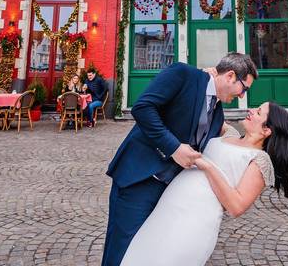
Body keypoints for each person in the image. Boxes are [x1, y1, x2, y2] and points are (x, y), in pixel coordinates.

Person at [102, 53, 258, 266]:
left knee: (145, 254)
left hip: (168, 194)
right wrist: (173, 148)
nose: (242, 96)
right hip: (138, 180)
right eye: (244, 88)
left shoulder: (218, 114)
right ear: (230, 76)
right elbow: (143, 108)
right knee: (122, 252)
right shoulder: (183, 74)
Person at [120, 101, 288, 266]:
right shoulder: (229, 134)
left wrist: (207, 167)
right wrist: (207, 76)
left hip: (195, 221)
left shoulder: (260, 160)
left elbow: (237, 206)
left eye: (258, 112)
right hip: (167, 209)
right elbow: (204, 104)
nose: (250, 110)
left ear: (266, 130)